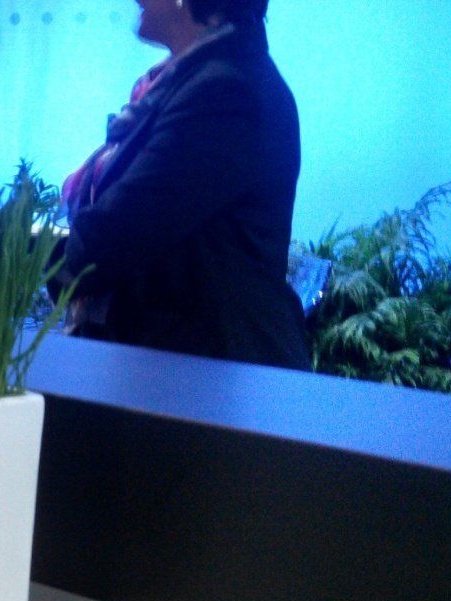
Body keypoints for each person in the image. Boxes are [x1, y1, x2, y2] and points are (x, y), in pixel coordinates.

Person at [52, 0, 309, 369]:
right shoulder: (198, 80)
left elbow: (120, 234)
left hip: (208, 378)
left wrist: (8, 259)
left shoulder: (225, 89)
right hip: (180, 369)